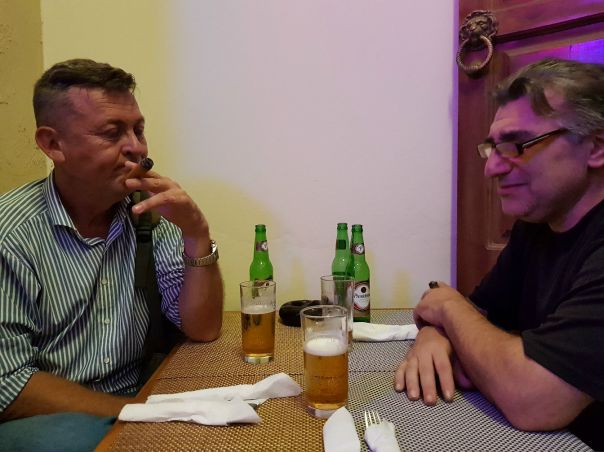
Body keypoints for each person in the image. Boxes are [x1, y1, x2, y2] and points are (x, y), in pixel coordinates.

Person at [0, 59, 224, 451]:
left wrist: (196, 232)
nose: (137, 147)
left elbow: (202, 329)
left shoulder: (146, 214)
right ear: (53, 144)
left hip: (133, 398)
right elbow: (10, 385)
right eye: (112, 133)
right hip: (47, 420)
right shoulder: (12, 235)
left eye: (138, 129)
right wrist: (138, 413)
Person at [395, 58, 604, 451]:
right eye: (492, 147)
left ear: (595, 147)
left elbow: (533, 399)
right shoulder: (537, 225)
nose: (491, 168)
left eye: (517, 145)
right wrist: (435, 335)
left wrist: (448, 308)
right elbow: (479, 314)